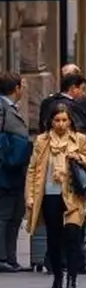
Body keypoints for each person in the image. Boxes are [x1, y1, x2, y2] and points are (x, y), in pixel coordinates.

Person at [24, 103, 86, 288]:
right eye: (57, 120)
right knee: (54, 241)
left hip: (73, 196)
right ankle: (57, 276)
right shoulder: (42, 141)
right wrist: (30, 196)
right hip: (49, 195)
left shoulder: (79, 139)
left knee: (73, 237)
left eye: (65, 120)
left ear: (70, 121)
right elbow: (32, 169)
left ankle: (72, 279)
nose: (61, 124)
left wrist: (78, 157)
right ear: (51, 121)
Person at [0, 72, 31, 272]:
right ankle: (2, 257)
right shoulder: (2, 108)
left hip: (16, 170)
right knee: (4, 215)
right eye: (22, 86)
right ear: (16, 88)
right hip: (5, 171)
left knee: (15, 215)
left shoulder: (11, 108)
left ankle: (11, 257)